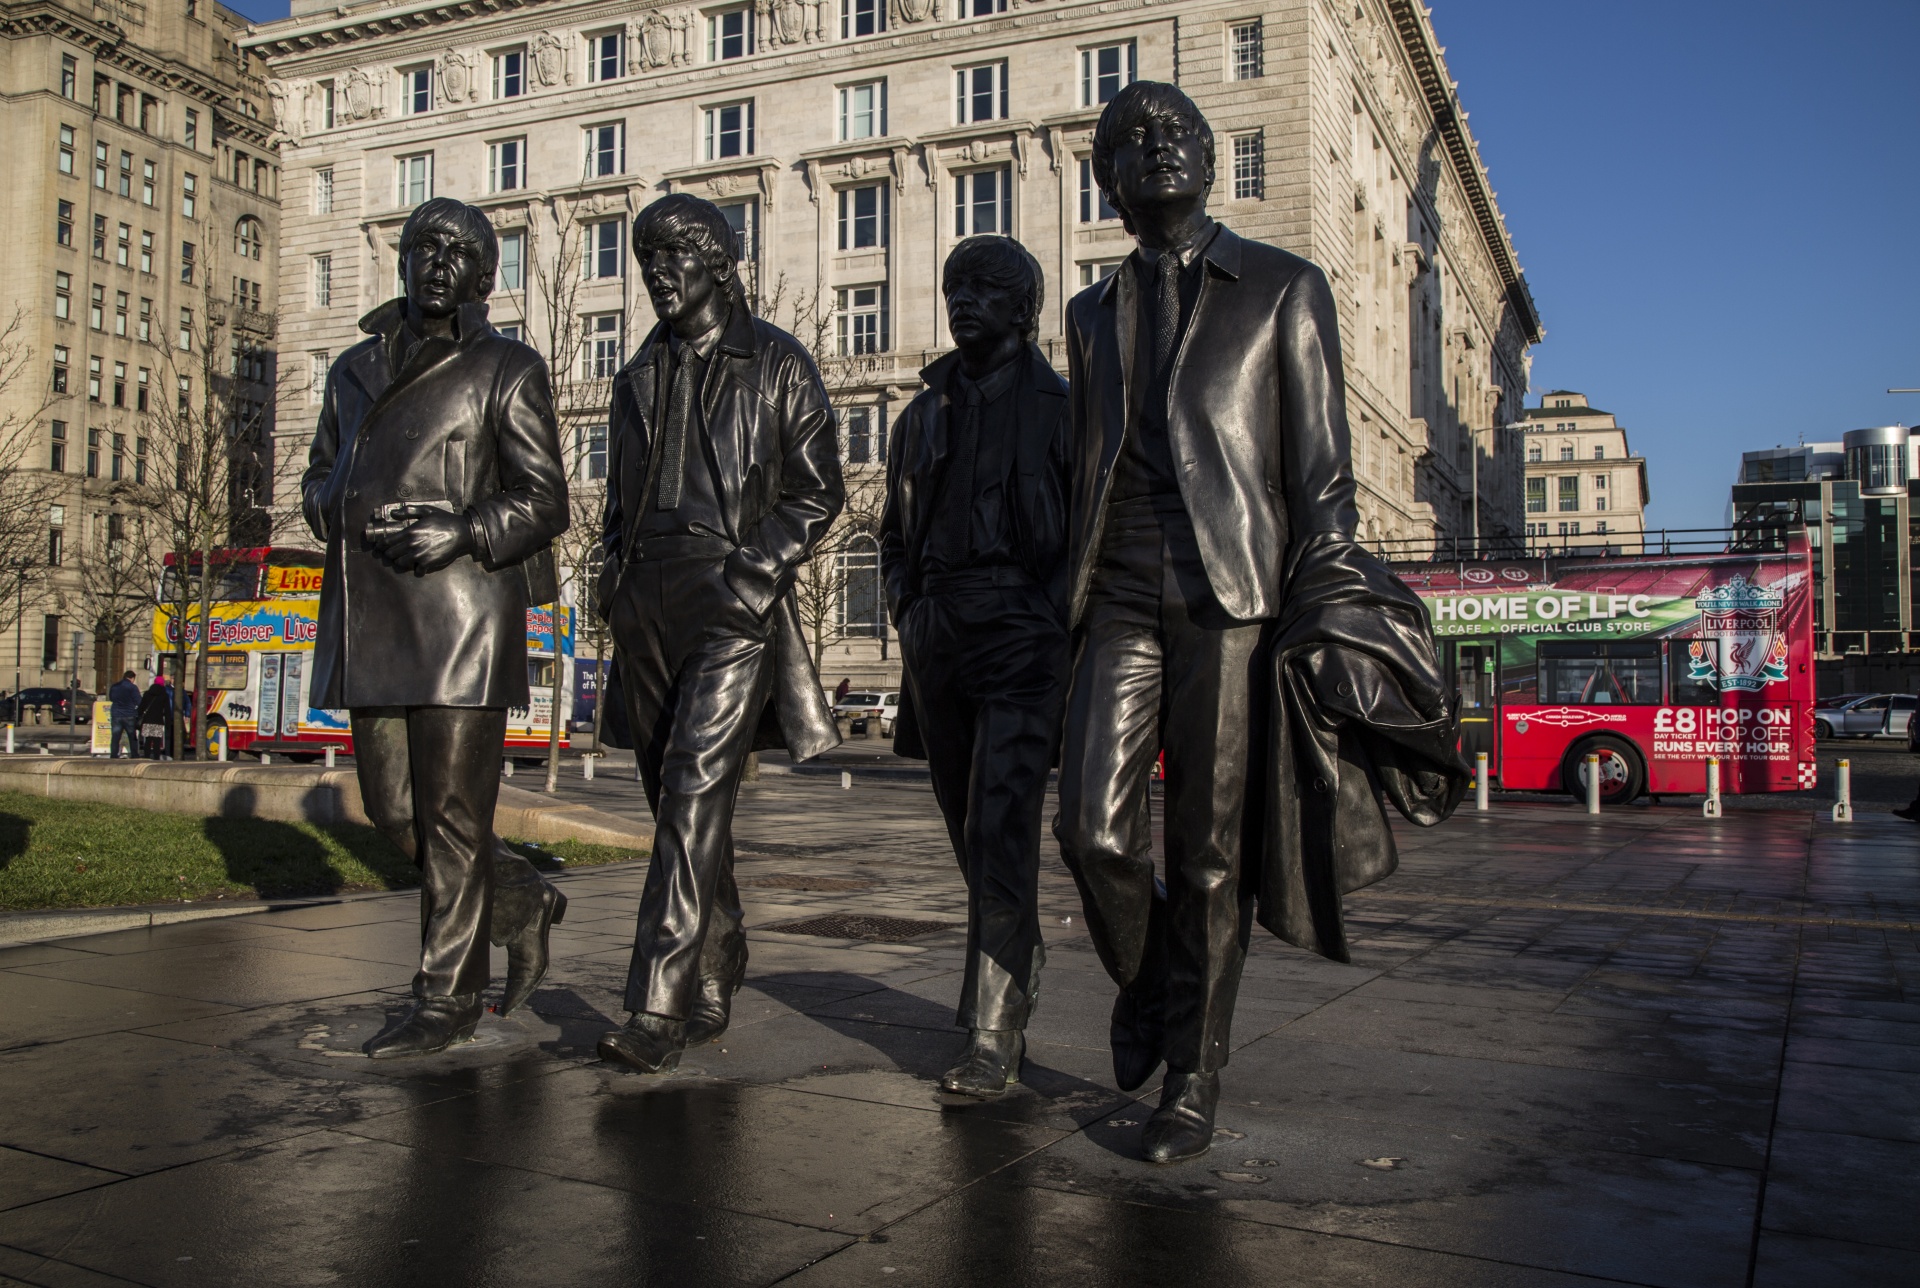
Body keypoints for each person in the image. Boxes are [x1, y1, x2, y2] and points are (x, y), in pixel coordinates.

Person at [1053, 83, 1467, 1163]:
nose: (1158, 145)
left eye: (1176, 129)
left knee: (1206, 852)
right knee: (1090, 829)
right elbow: (1087, 464)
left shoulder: (1284, 286)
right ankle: (1153, 984)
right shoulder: (1089, 314)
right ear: (1108, 176)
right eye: (1131, 138)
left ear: (1205, 153)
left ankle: (1194, 1071)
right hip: (1118, 594)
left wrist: (1320, 603)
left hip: (1232, 597)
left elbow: (1324, 480)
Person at [303, 196, 571, 1059]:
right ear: (404, 260)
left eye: (459, 251)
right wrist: (331, 502)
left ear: (485, 276)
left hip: (461, 614)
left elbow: (544, 499)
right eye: (424, 247)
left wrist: (461, 529)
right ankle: (522, 899)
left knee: (453, 816)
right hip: (373, 609)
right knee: (393, 812)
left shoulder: (507, 366)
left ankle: (446, 997)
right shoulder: (351, 369)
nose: (437, 262)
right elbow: (319, 469)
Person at [595, 194, 843, 1075]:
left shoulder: (776, 362)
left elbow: (819, 491)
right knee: (677, 800)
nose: (658, 273)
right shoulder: (636, 375)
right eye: (646, 259)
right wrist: (608, 577)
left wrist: (755, 570)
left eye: (673, 256)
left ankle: (655, 1002)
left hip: (730, 593)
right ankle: (720, 946)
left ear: (718, 261)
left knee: (696, 788)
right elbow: (619, 505)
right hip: (646, 601)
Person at [880, 235, 1071, 1096]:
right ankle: (1013, 960)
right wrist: (906, 609)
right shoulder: (920, 417)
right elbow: (892, 534)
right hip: (939, 634)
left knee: (999, 827)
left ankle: (994, 1032)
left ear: (1024, 308)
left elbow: (1087, 537)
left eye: (987, 288)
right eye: (956, 285)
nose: (964, 301)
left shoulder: (1065, 409)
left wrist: (1054, 621)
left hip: (1023, 636)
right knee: (969, 830)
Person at [137, 674, 174, 759]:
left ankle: (147, 757)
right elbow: (167, 710)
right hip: (158, 721)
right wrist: (168, 723)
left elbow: (141, 708)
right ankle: (156, 758)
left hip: (147, 720)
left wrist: (140, 716)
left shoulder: (147, 693)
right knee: (157, 741)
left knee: (148, 740)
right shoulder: (164, 695)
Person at [108, 670, 142, 758]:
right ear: (132, 678)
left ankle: (113, 754)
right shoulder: (132, 687)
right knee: (132, 736)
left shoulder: (115, 686)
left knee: (115, 737)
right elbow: (138, 701)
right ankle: (134, 754)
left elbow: (111, 698)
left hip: (116, 714)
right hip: (129, 714)